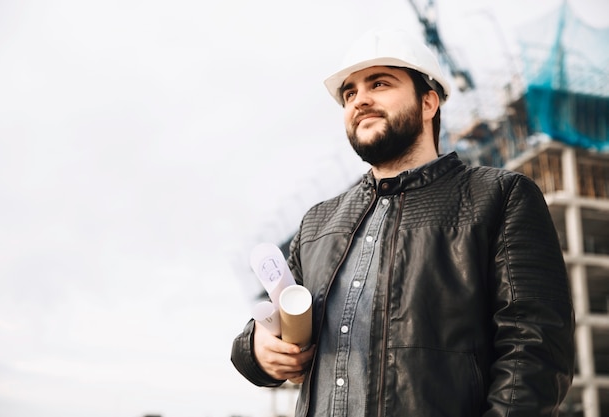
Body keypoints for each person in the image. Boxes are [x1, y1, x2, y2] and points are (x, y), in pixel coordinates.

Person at [231, 27, 575, 417]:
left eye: (379, 83)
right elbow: (264, 330)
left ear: (429, 102)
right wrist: (257, 348)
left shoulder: (500, 197)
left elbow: (536, 349)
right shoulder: (317, 224)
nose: (360, 100)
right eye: (350, 93)